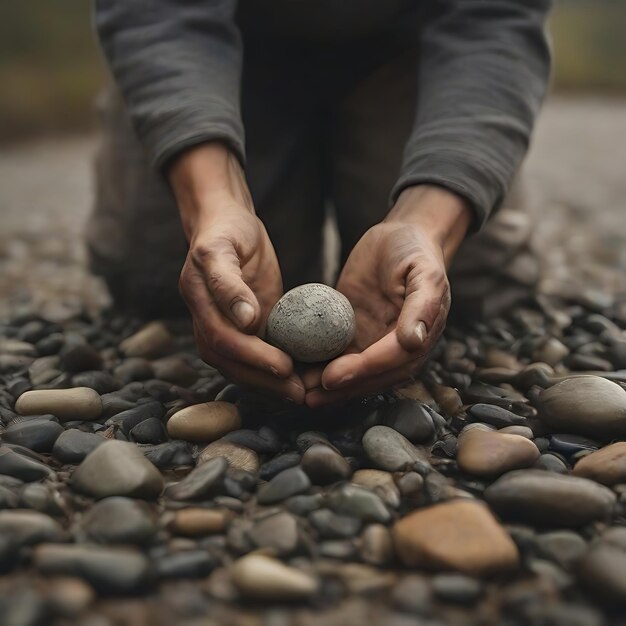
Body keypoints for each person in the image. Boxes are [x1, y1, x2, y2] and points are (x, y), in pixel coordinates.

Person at [90, 0, 551, 408]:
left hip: (414, 50)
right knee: (168, 276)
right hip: (226, 53)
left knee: (458, 285)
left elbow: (494, 17)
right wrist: (214, 202)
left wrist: (428, 224)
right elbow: (156, 11)